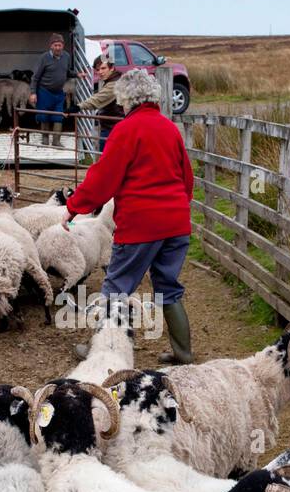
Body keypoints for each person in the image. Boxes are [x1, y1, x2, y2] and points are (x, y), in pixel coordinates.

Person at [64, 68, 194, 364]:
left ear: (126, 99)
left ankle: (100, 349)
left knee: (116, 287)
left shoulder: (126, 130)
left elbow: (103, 178)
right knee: (168, 287)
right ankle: (183, 353)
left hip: (141, 224)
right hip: (176, 223)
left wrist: (74, 206)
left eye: (120, 100)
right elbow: (186, 177)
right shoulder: (169, 128)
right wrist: (176, 209)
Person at [29, 32, 83, 149]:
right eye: (55, 45)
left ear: (63, 46)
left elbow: (67, 71)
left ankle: (56, 141)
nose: (58, 47)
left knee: (59, 115)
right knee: (44, 116)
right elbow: (35, 77)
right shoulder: (44, 58)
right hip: (44, 92)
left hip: (58, 92)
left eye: (60, 45)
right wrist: (33, 92)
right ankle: (45, 139)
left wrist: (77, 74)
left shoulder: (66, 57)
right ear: (51, 46)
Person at [76, 53, 124, 155]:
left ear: (112, 68)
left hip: (112, 128)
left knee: (106, 159)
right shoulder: (113, 79)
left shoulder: (114, 84)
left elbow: (98, 99)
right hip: (113, 126)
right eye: (98, 70)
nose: (100, 72)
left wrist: (77, 107)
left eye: (103, 68)